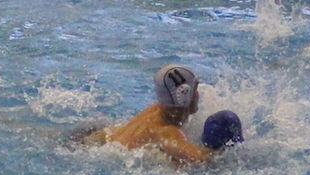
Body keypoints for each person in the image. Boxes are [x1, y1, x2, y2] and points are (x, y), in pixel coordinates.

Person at [83, 65, 219, 166]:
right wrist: (221, 149)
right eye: (195, 90)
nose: (198, 94)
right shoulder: (167, 132)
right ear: (184, 96)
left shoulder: (157, 109)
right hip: (107, 158)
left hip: (99, 138)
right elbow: (199, 159)